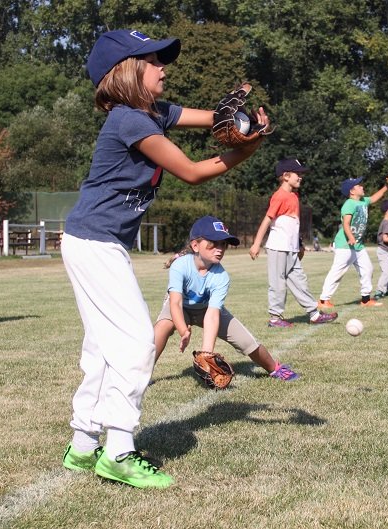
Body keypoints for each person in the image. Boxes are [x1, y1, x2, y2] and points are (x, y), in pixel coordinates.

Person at [60, 29, 270, 489]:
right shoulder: (130, 122)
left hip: (94, 241)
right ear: (127, 73)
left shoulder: (152, 112)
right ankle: (117, 451)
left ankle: (81, 444)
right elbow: (193, 172)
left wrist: (238, 121)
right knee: (135, 344)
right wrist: (246, 149)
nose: (163, 67)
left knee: (102, 348)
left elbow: (213, 117)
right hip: (94, 242)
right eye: (152, 60)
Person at [153, 216, 298, 381]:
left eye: (223, 244)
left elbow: (212, 314)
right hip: (181, 308)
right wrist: (183, 330)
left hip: (206, 309)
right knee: (162, 327)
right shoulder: (180, 265)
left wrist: (207, 354)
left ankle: (274, 367)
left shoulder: (221, 276)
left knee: (247, 342)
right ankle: (140, 374)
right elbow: (175, 303)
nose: (220, 248)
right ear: (195, 245)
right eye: (213, 243)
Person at [249, 159, 338, 327]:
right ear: (286, 176)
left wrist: (299, 244)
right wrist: (256, 244)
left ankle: (314, 314)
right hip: (277, 247)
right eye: (298, 174)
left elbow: (293, 224)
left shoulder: (294, 196)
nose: (301, 177)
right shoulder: (279, 196)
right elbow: (267, 220)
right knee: (278, 283)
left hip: (290, 248)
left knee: (299, 281)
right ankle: (275, 318)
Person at [318, 172, 388, 308]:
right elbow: (346, 223)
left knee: (367, 269)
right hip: (344, 244)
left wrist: (387, 186)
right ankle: (323, 300)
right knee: (337, 272)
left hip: (357, 245)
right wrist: (351, 237)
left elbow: (376, 197)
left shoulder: (363, 201)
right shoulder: (349, 204)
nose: (362, 186)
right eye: (359, 185)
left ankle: (365, 299)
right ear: (352, 191)